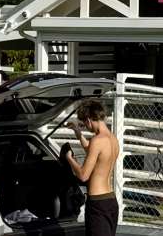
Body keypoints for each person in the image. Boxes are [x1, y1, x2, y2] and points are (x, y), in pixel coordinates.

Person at [64, 99, 120, 236]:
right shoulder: (113, 139)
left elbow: (83, 175)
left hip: (97, 204)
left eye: (84, 124)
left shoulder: (97, 140)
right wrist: (78, 133)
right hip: (111, 201)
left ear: (89, 120)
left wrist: (70, 159)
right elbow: (92, 150)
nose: (86, 127)